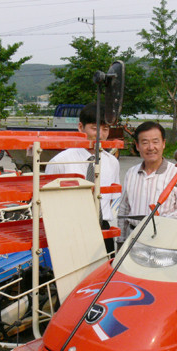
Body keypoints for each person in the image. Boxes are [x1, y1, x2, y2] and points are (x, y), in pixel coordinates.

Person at [45, 103, 120, 254]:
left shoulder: (112, 162)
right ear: (81, 127)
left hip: (103, 230)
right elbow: (48, 204)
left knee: (106, 268)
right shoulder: (60, 162)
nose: (100, 135)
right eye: (95, 128)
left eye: (105, 129)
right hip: (70, 231)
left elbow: (112, 198)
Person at [118, 121, 177, 243]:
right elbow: (124, 208)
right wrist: (120, 241)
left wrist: (160, 221)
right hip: (133, 237)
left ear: (163, 143)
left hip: (164, 238)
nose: (151, 147)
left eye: (155, 142)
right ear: (137, 146)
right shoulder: (131, 173)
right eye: (145, 142)